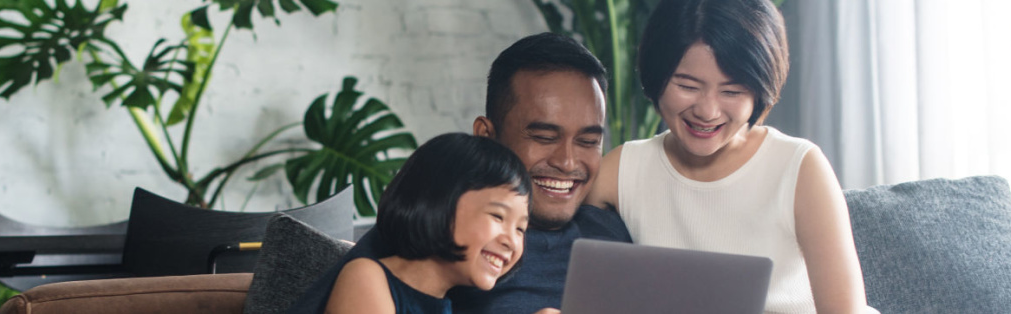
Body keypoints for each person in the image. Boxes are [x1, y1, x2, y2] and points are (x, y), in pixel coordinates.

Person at [287, 33, 630, 314]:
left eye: (588, 141)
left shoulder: (612, 231)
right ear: (486, 137)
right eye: (543, 137)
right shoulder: (432, 239)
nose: (568, 162)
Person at [582, 0, 875, 312]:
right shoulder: (622, 171)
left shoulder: (799, 167)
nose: (707, 111)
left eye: (732, 92)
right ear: (657, 77)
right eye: (687, 85)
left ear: (760, 90)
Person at [322, 133, 532, 313]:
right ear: (438, 201)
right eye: (498, 216)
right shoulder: (366, 277)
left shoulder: (443, 303)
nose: (511, 241)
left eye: (520, 229)